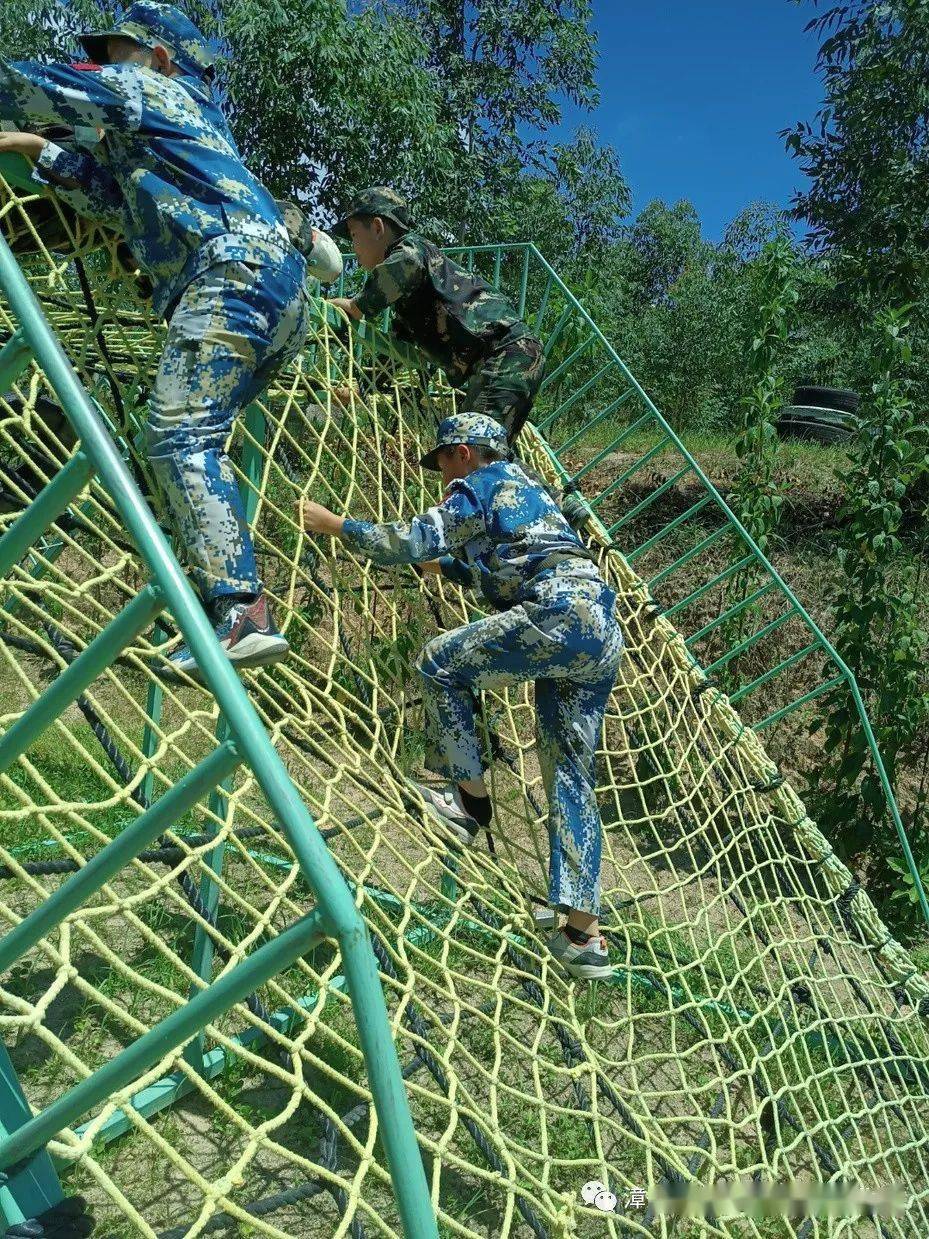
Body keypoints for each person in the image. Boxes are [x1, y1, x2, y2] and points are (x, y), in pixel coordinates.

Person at [0, 3, 339, 678]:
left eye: (115, 53)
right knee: (192, 449)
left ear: (158, 57)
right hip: (280, 292)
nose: (103, 66)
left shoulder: (150, 89)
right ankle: (228, 606)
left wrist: (27, 112)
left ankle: (241, 608)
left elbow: (23, 85)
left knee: (178, 439)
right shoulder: (180, 137)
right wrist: (37, 151)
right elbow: (115, 203)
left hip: (229, 272)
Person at [300, 412, 622, 980]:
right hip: (599, 626)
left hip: (556, 614)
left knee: (440, 662)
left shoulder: (478, 485)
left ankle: (468, 803)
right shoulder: (532, 493)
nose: (440, 473)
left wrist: (336, 525)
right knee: (571, 776)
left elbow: (408, 538)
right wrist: (446, 566)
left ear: (466, 453)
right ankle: (582, 934)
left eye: (443, 459)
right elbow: (503, 570)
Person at [328, 187, 545, 444]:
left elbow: (406, 264)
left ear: (377, 228)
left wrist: (357, 306)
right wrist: (361, 387)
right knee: (491, 452)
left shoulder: (413, 250)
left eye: (354, 235)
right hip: (509, 357)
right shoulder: (414, 302)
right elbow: (396, 352)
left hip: (504, 354)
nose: (353, 248)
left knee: (473, 448)